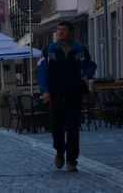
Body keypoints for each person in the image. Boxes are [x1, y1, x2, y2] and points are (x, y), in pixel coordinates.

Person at [37, 21, 96, 173]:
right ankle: (59, 151)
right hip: (56, 94)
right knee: (56, 127)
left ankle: (71, 161)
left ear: (71, 32)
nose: (61, 32)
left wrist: (86, 76)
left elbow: (91, 65)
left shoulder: (79, 49)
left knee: (72, 128)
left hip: (74, 93)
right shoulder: (50, 50)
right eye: (59, 30)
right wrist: (45, 90)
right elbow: (42, 70)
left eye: (64, 30)